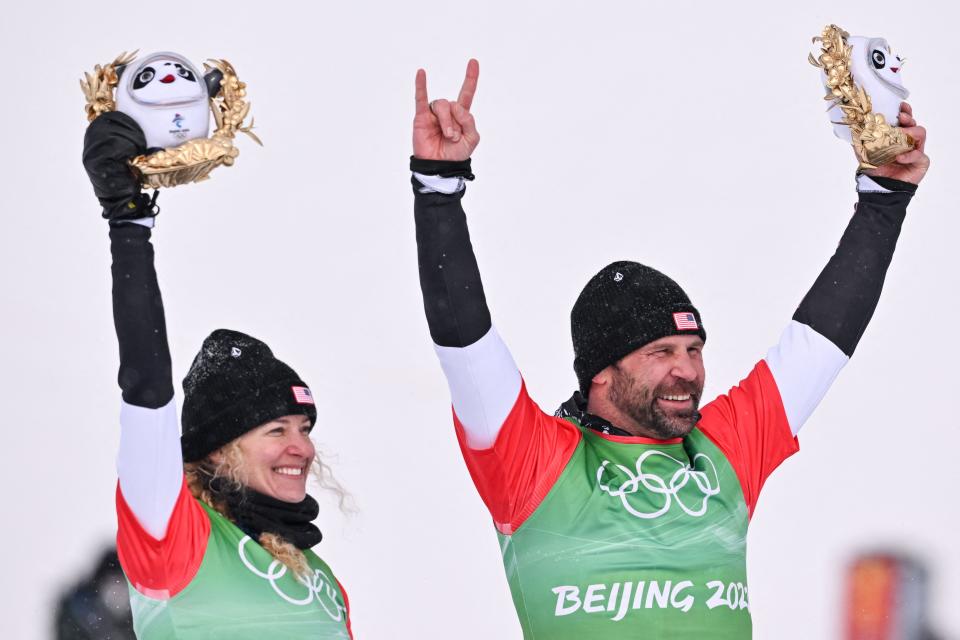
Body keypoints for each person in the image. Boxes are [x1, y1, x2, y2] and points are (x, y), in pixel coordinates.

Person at [409, 60, 928, 638]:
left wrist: (884, 198)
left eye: (694, 348)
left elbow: (821, 339)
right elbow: (464, 339)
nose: (687, 371)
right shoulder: (533, 462)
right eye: (661, 352)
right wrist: (438, 189)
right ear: (601, 374)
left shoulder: (724, 447)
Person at [83, 111, 353, 639]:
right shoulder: (175, 539)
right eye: (276, 430)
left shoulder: (321, 580)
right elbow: (147, 393)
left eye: (303, 427)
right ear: (216, 449)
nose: (300, 447)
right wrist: (128, 222)